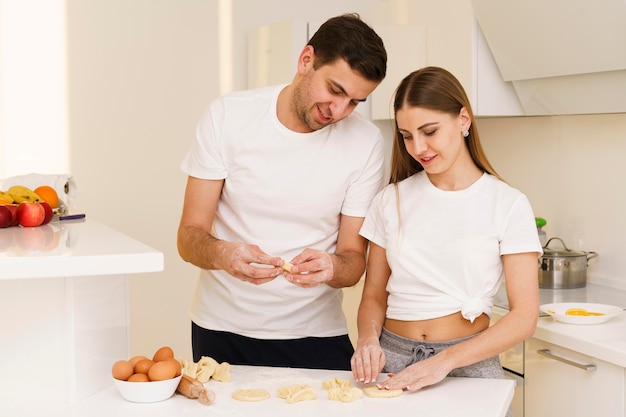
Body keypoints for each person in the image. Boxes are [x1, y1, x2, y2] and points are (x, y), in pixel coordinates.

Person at [177, 13, 387, 371]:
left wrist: (332, 266)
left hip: (316, 334)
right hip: (221, 329)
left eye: (355, 101)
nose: (338, 111)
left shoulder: (365, 142)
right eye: (335, 90)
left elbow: (353, 262)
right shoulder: (228, 116)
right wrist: (226, 254)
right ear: (306, 60)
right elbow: (188, 237)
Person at [350, 67, 541, 401]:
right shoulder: (390, 199)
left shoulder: (507, 203)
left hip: (468, 365)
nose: (418, 147)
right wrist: (367, 341)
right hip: (392, 362)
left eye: (430, 131)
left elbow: (524, 317)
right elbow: (374, 296)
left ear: (463, 119)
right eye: (407, 135)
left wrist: (445, 361)